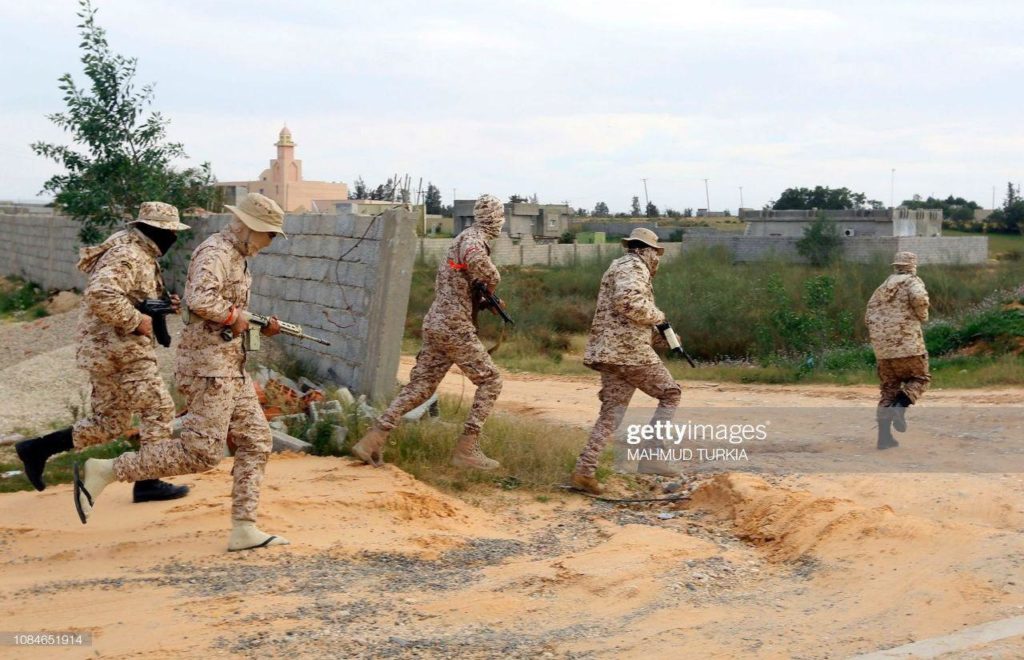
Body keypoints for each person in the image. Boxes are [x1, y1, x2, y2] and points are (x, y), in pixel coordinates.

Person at [73, 192, 290, 552]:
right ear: (251, 228)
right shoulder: (217, 252)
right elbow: (200, 300)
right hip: (209, 369)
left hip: (230, 364)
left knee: (256, 440)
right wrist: (235, 317)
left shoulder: (237, 256)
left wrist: (254, 324)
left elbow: (223, 308)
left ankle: (244, 527)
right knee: (201, 454)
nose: (269, 242)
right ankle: (108, 470)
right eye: (269, 234)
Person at [16, 202, 190, 503]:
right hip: (119, 349)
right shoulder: (129, 254)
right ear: (159, 231)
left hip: (105, 349)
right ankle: (149, 481)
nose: (174, 238)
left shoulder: (137, 252)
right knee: (159, 409)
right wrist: (137, 320)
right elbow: (101, 294)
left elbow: (130, 297)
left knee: (110, 422)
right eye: (172, 232)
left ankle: (38, 449)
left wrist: (159, 306)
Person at [351, 194, 506, 470]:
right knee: (491, 381)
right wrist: (493, 282)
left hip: (437, 323)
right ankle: (467, 449)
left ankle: (373, 439)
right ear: (496, 219)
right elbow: (481, 265)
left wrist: (482, 301)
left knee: (421, 387)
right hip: (453, 326)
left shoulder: (461, 239)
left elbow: (459, 283)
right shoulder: (473, 241)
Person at [570, 228, 683, 495]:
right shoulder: (635, 266)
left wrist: (662, 337)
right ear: (648, 250)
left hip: (610, 353)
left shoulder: (618, 266)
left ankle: (584, 471)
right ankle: (652, 456)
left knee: (612, 412)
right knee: (670, 393)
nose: (657, 258)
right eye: (656, 252)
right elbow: (628, 302)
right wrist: (660, 318)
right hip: (629, 352)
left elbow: (623, 317)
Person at [865, 251, 931, 450]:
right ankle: (899, 408)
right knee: (921, 379)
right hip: (908, 345)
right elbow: (920, 298)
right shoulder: (912, 281)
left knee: (889, 390)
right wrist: (922, 315)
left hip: (883, 350)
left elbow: (868, 315)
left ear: (896, 265)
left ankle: (884, 439)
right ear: (912, 265)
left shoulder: (882, 287)